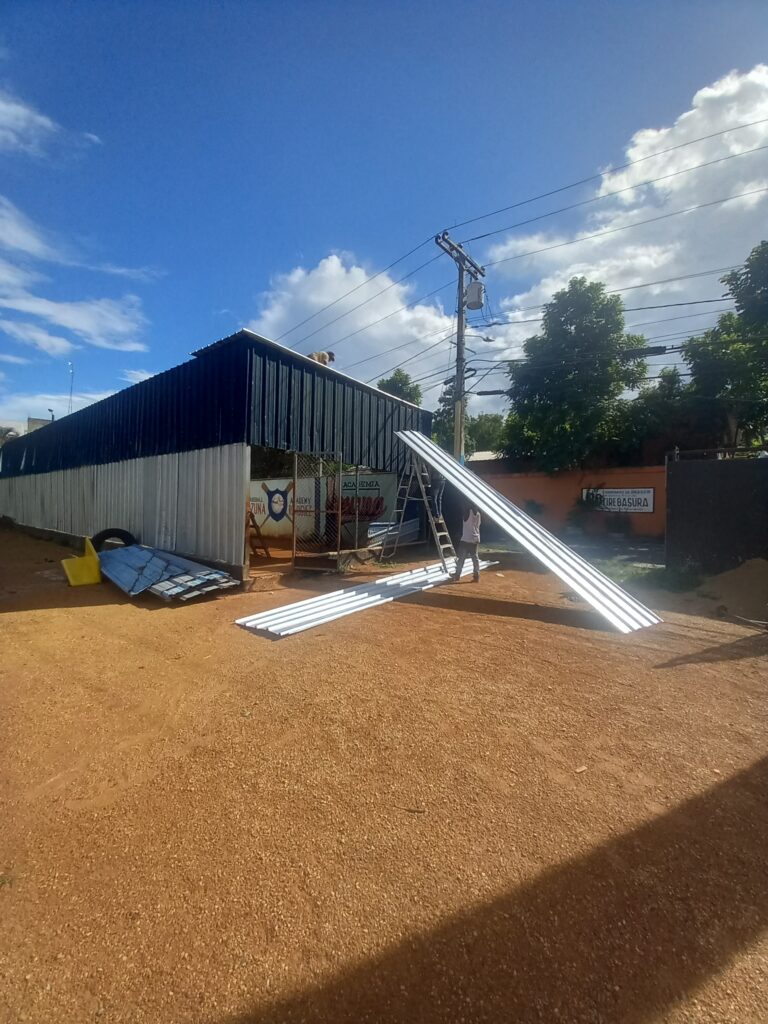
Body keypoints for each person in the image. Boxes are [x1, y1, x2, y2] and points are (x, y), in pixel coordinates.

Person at [453, 504, 481, 583]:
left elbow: (465, 516)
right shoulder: (478, 514)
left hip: (466, 539)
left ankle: (457, 575)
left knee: (461, 559)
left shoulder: (468, 513)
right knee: (475, 558)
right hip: (475, 538)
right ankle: (476, 576)